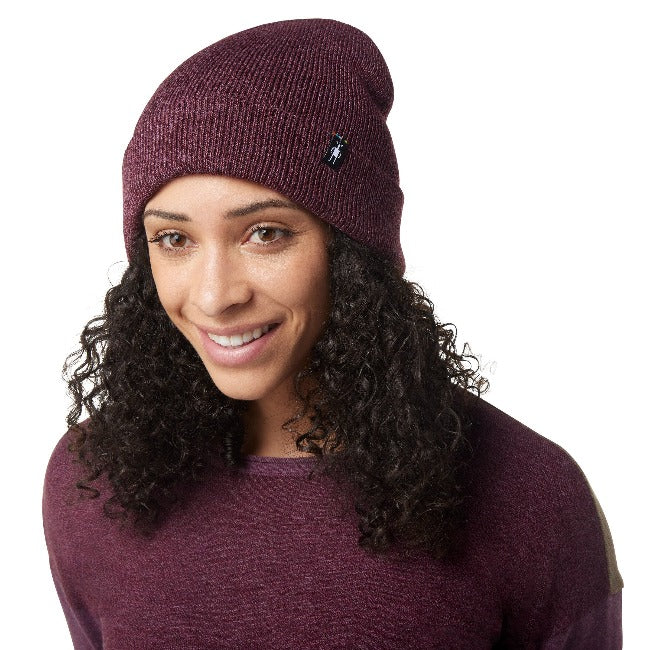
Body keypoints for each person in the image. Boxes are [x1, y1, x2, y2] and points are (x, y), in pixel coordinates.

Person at [42, 17, 623, 649]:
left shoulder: (528, 496)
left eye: (265, 233)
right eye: (174, 239)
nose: (214, 295)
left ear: (350, 250)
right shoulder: (90, 484)